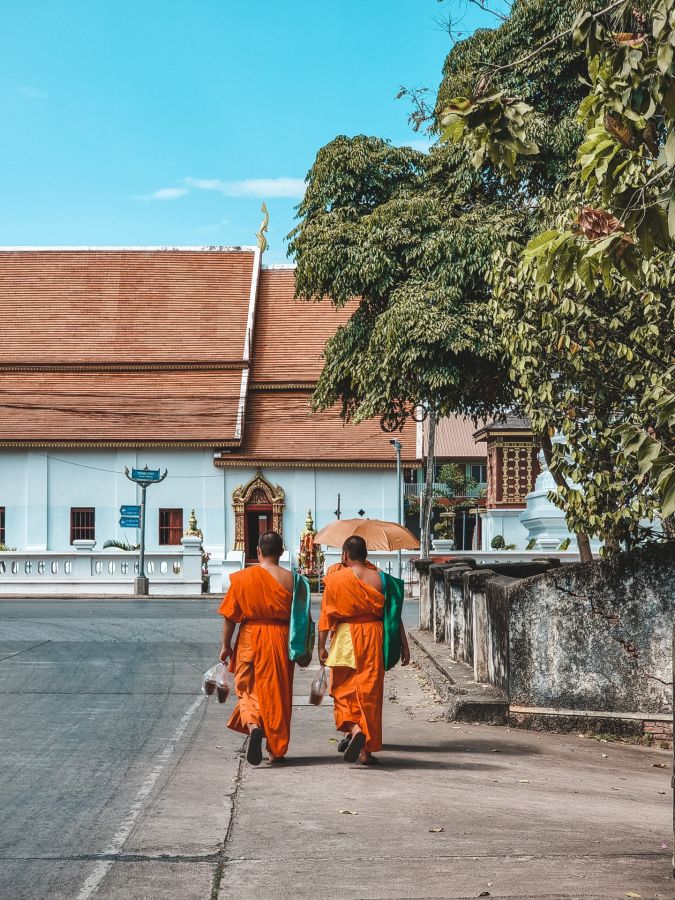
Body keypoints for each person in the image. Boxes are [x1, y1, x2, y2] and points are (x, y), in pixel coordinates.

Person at [318, 536, 410, 765]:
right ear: (366, 554)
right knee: (369, 693)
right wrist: (404, 645)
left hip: (346, 637)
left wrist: (320, 646)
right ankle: (365, 752)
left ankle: (354, 728)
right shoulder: (381, 579)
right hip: (373, 636)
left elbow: (326, 617)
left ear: (345, 555)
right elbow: (393, 616)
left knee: (342, 690)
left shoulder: (335, 579)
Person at [219, 531, 294, 766]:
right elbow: (300, 618)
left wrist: (226, 646)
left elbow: (230, 617)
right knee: (278, 692)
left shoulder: (243, 578)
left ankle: (253, 726)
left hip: (250, 638)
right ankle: (276, 749)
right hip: (280, 638)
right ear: (281, 552)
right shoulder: (292, 580)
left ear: (258, 551)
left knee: (247, 689)